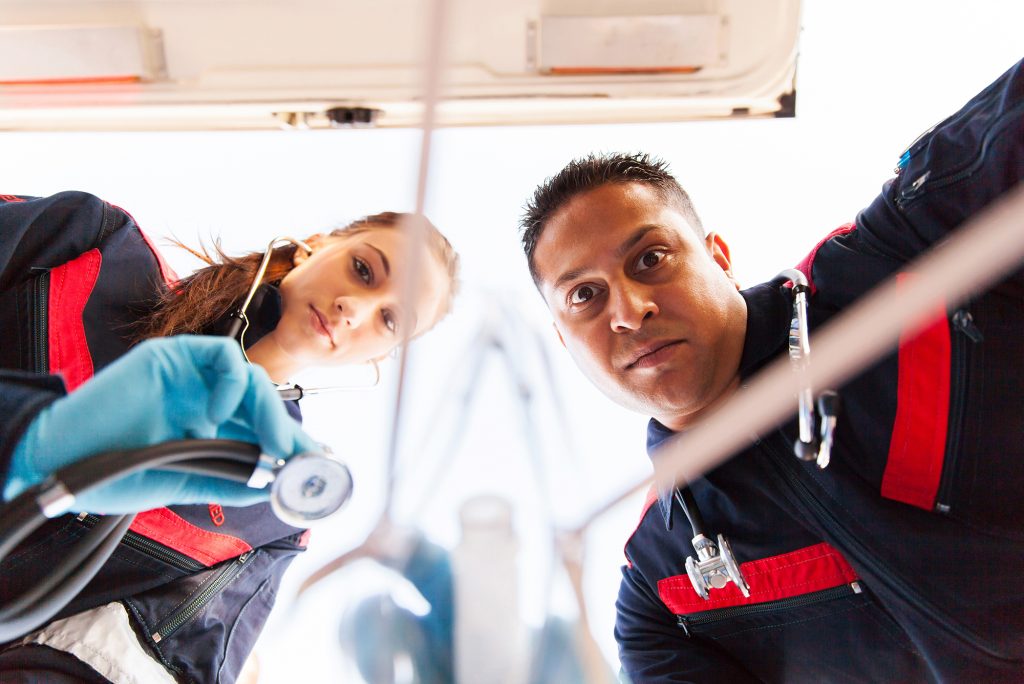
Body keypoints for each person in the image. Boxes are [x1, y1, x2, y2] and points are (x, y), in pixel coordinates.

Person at [519, 59, 1024, 682]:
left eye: (650, 259)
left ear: (719, 258)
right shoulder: (664, 588)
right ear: (563, 342)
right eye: (584, 296)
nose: (630, 310)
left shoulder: (897, 263)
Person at [0, 190, 459, 683]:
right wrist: (31, 436)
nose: (355, 308)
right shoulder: (93, 243)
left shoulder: (272, 519)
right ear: (313, 246)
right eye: (364, 270)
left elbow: (131, 666)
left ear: (376, 358)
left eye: (390, 320)